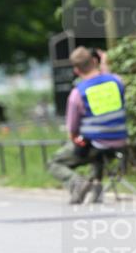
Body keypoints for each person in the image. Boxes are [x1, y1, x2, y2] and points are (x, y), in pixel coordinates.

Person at [47, 46, 128, 204]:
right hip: (120, 142)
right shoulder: (117, 82)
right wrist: (104, 64)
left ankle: (78, 184)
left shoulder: (78, 93)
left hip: (94, 144)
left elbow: (72, 129)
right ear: (94, 61)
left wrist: (76, 141)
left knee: (54, 162)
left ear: (76, 70)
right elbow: (109, 77)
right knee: (95, 149)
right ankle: (95, 189)